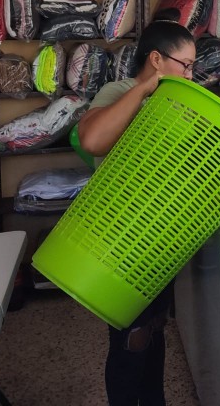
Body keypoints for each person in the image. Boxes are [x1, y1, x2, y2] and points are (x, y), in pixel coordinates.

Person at [77, 20, 196, 406]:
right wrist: (148, 86)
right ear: (157, 59)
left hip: (160, 238)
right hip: (120, 240)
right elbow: (93, 139)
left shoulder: (180, 101)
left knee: (154, 329)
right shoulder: (120, 91)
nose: (190, 74)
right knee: (131, 339)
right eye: (185, 64)